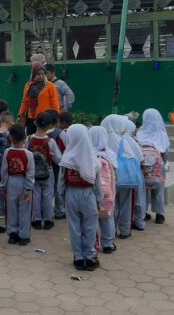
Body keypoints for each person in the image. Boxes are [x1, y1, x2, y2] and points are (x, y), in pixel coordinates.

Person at [58, 124, 103, 271]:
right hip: (88, 194)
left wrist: (62, 196)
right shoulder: (92, 158)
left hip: (71, 193)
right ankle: (90, 257)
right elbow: (97, 183)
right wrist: (99, 199)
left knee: (74, 227)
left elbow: (61, 181)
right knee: (90, 226)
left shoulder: (67, 157)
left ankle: (78, 257)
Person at [102, 114, 141, 239]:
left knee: (110, 204)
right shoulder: (123, 140)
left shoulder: (102, 139)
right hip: (124, 178)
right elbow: (135, 157)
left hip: (107, 179)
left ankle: (110, 231)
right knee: (125, 203)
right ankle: (124, 230)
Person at [0, 123, 34, 246]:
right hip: (23, 181)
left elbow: (3, 170)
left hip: (11, 182)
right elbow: (30, 173)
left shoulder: (7, 152)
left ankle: (12, 234)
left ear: (10, 138)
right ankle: (24, 236)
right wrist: (28, 189)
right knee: (25, 209)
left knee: (11, 208)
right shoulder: (28, 154)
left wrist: (3, 185)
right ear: (25, 138)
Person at [28, 112, 62, 231]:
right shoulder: (50, 142)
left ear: (34, 123)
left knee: (35, 195)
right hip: (48, 171)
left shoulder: (29, 139)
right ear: (49, 126)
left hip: (32, 173)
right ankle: (48, 220)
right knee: (48, 195)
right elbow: (58, 159)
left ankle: (36, 220)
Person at [136, 108, 170, 225]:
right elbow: (166, 152)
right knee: (159, 190)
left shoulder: (140, 132)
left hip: (143, 166)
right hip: (158, 167)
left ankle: (143, 213)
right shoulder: (162, 134)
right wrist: (161, 162)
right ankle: (159, 214)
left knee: (143, 191)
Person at [89, 126, 118, 255]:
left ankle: (92, 243)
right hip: (108, 193)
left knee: (91, 219)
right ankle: (108, 244)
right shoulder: (109, 155)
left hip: (91, 193)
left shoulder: (88, 156)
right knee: (107, 217)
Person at [17, 66, 60, 135]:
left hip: (45, 117)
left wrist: (56, 116)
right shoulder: (28, 85)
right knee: (31, 138)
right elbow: (25, 102)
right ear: (33, 74)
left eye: (43, 74)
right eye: (38, 74)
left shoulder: (50, 86)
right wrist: (20, 114)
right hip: (31, 118)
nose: (41, 76)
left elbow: (55, 103)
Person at [125, 119, 147, 232]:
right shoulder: (132, 142)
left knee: (123, 203)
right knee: (138, 199)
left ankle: (124, 226)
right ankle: (138, 221)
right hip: (135, 174)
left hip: (120, 177)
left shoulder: (117, 140)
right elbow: (141, 159)